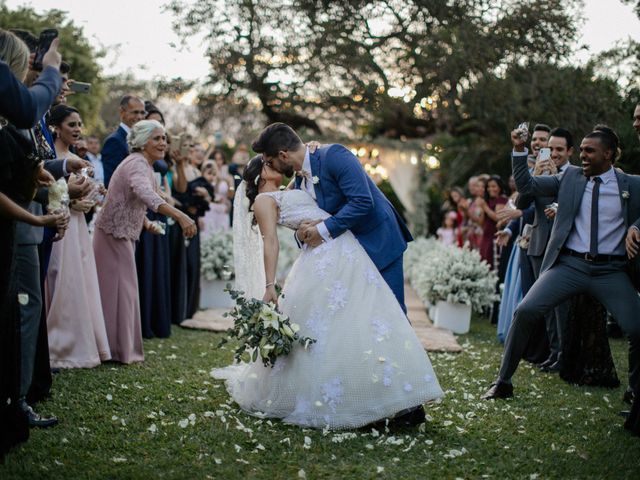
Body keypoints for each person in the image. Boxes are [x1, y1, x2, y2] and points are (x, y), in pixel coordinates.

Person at [212, 155, 443, 429]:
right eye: (270, 163)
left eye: (274, 158)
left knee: (368, 319)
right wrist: (270, 284)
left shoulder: (292, 185)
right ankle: (356, 399)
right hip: (322, 262)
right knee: (335, 328)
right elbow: (271, 242)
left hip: (346, 252)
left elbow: (310, 207)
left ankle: (393, 399)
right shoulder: (263, 201)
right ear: (262, 174)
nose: (277, 164)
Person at [483, 126, 640, 437]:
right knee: (525, 311)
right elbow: (527, 184)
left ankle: (635, 394)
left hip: (610, 271)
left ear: (608, 154)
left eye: (589, 151)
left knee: (637, 328)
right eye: (580, 150)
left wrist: (636, 225)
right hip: (568, 264)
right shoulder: (569, 178)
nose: (582, 155)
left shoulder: (631, 184)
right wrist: (518, 149)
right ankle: (503, 382)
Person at [0, 29, 63, 458]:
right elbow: (25, 113)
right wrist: (53, 71)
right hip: (17, 226)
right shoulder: (14, 111)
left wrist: (40, 172)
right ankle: (15, 402)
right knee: (19, 312)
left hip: (23, 223)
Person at [93, 120, 196, 363]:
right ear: (141, 142)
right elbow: (146, 195)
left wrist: (147, 224)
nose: (163, 143)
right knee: (118, 292)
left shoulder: (146, 166)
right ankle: (113, 349)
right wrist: (181, 216)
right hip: (111, 235)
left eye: (164, 138)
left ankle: (118, 348)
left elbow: (129, 202)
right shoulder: (137, 164)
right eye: (157, 138)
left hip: (124, 234)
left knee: (124, 292)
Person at [44, 105, 111, 369]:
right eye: (71, 125)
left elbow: (84, 195)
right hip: (58, 223)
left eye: (79, 124)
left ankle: (82, 341)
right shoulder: (50, 157)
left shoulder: (78, 159)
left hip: (79, 226)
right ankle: (56, 345)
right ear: (56, 128)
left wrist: (91, 197)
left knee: (79, 279)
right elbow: (49, 194)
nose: (77, 130)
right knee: (59, 276)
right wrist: (71, 203)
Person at [101, 95, 145, 187]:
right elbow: (111, 181)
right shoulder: (114, 141)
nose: (140, 117)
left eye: (142, 113)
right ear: (122, 112)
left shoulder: (143, 140)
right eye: (135, 112)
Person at [476, 175, 508, 268]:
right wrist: (482, 208)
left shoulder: (502, 200)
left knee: (492, 265)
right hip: (485, 236)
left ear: (500, 187)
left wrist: (485, 207)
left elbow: (498, 217)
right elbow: (481, 223)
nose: (490, 189)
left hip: (494, 237)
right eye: (489, 187)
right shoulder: (488, 201)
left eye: (494, 186)